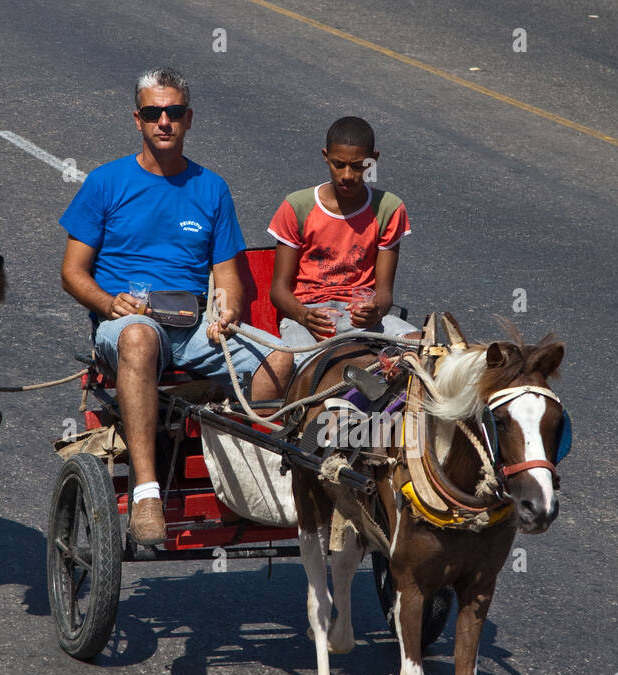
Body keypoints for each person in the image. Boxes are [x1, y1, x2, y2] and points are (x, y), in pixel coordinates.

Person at [60, 68, 293, 546]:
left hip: (194, 324)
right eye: (153, 113)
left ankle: (247, 473)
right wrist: (110, 303)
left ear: (188, 119)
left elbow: (228, 275)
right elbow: (72, 272)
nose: (163, 121)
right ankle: (148, 494)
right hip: (127, 325)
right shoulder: (106, 183)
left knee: (281, 360)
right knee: (141, 336)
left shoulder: (212, 189)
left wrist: (226, 311)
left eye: (173, 112)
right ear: (138, 119)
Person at [267, 116, 418, 347]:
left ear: (373, 160)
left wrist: (375, 310)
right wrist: (304, 316)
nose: (347, 175)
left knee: (424, 348)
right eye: (338, 164)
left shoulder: (389, 208)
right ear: (325, 157)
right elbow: (278, 290)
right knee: (301, 369)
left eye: (358, 166)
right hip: (308, 315)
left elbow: (385, 293)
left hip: (361, 317)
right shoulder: (297, 206)